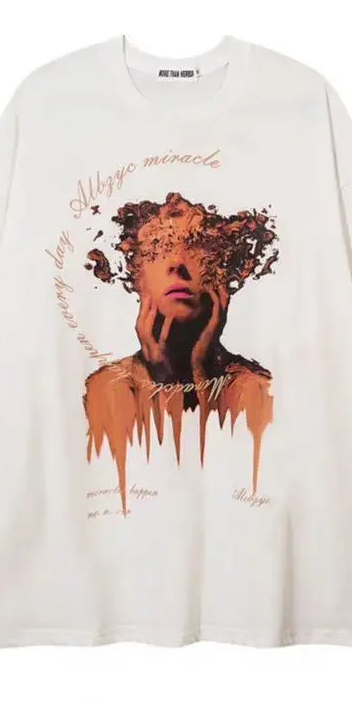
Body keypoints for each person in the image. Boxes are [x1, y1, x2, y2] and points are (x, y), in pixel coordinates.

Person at [83, 192, 279, 514]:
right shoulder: (106, 388)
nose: (177, 264)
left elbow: (237, 481)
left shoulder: (257, 389)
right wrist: (162, 376)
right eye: (158, 249)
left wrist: (197, 370)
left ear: (222, 272)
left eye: (196, 249)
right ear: (137, 276)